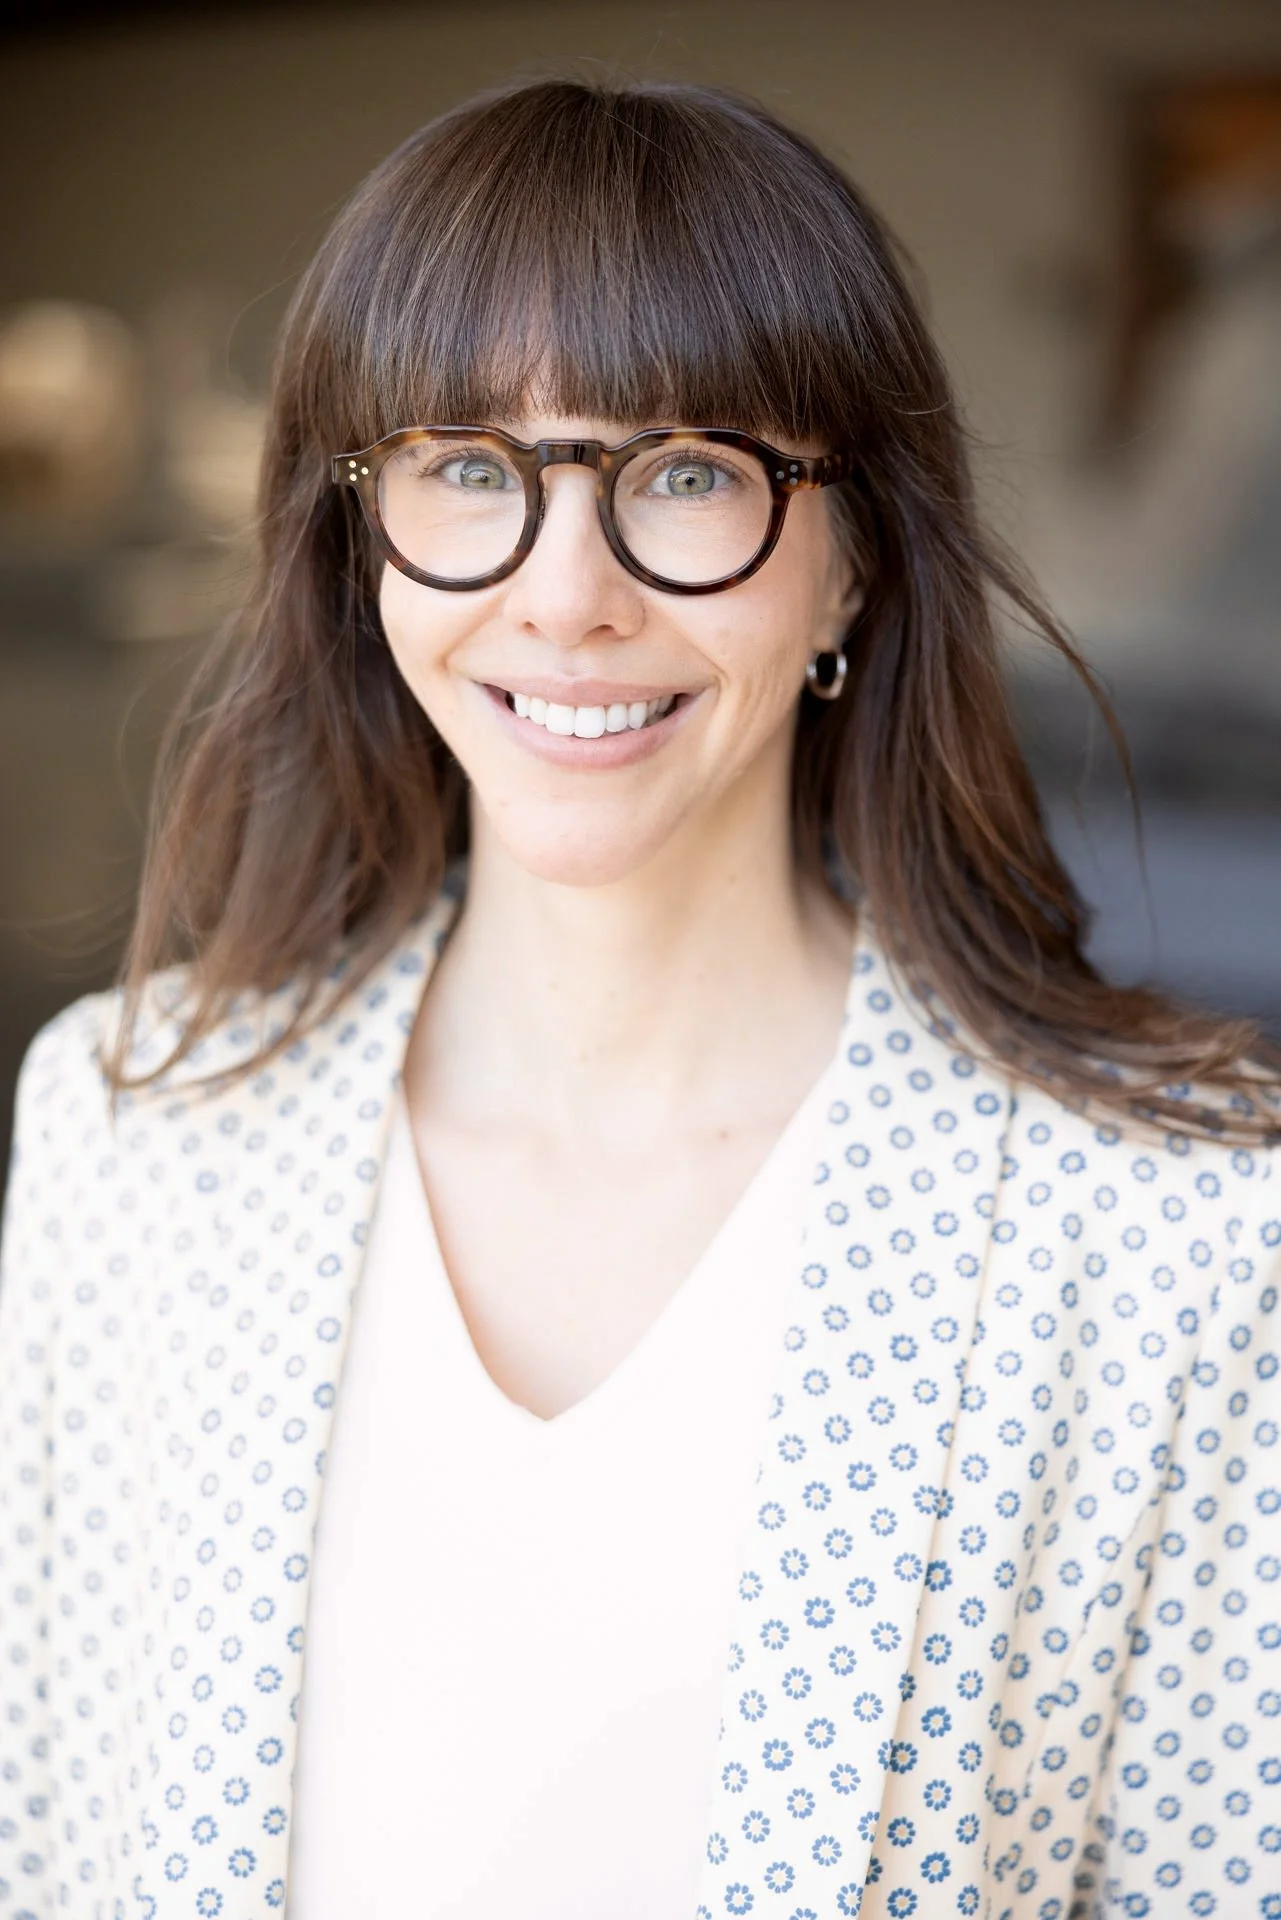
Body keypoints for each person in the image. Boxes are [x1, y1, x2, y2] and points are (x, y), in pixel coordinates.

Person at [1, 78, 1277, 1920]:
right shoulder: (132, 1125)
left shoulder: (1178, 1222)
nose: (564, 594)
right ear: (364, 551)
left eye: (687, 471)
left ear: (854, 553)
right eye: (465, 468)